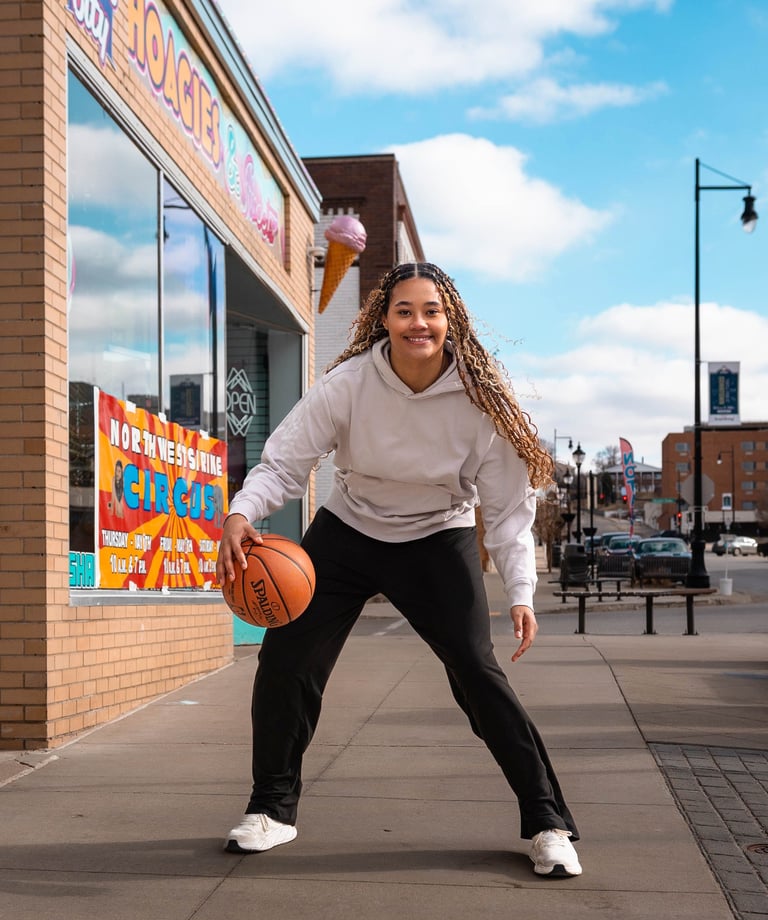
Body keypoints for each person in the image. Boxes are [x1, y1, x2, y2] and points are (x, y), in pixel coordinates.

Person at [216, 261, 581, 878]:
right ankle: (271, 810)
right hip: (349, 529)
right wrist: (240, 512)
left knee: (476, 673)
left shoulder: (482, 397)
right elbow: (283, 461)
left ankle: (547, 821)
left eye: (431, 311)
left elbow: (508, 510)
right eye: (404, 310)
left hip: (439, 534)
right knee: (285, 659)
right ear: (383, 319)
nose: (419, 322)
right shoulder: (349, 383)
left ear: (451, 320)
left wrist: (520, 592)